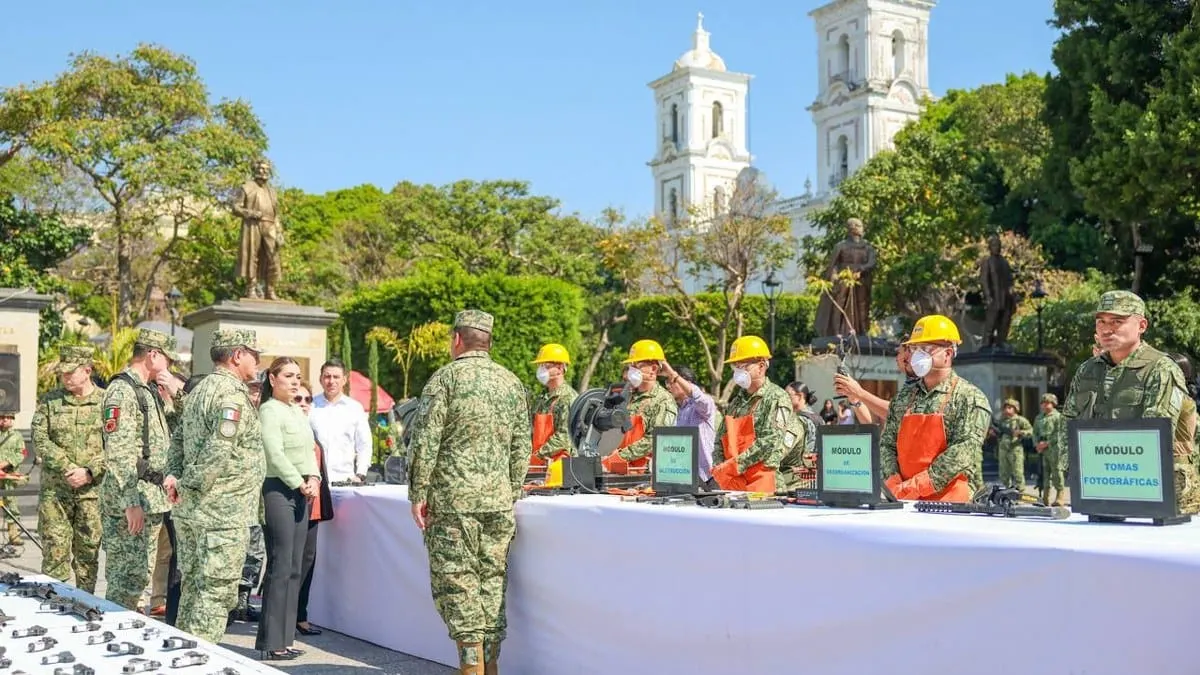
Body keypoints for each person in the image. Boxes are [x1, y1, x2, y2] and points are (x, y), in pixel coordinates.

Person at [408, 310, 531, 675]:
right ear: (488, 342)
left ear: (457, 340)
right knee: (492, 584)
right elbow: (522, 446)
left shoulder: (445, 379)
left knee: (458, 587)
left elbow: (424, 442)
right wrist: (506, 491)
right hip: (496, 503)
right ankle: (489, 667)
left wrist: (418, 492)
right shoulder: (511, 382)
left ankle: (470, 669)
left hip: (453, 503)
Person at [166, 329, 263, 645]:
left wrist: (175, 479)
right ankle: (198, 661)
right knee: (215, 594)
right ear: (238, 355)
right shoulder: (231, 395)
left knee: (194, 588)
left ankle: (181, 656)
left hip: (194, 511)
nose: (258, 361)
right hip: (221, 515)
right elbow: (218, 450)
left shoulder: (200, 390)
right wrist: (188, 485)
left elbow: (177, 440)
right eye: (254, 355)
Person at [1062, 291, 1193, 514]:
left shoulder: (1161, 369)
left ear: (1141, 325)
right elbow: (1069, 422)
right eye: (1101, 321)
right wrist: (1074, 471)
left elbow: (1157, 434)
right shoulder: (1088, 370)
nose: (1106, 328)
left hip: (1156, 491)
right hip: (1098, 488)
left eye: (1117, 321)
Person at [100, 328, 178, 611]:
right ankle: (113, 636)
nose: (170, 367)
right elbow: (119, 453)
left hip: (151, 498)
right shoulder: (122, 390)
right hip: (132, 499)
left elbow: (179, 425)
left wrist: (173, 391)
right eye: (168, 360)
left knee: (139, 576)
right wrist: (131, 502)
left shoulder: (150, 391)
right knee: (126, 581)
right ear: (153, 355)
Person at [879, 315, 991, 501]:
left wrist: (915, 487)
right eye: (914, 349)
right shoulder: (902, 398)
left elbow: (964, 451)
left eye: (926, 348)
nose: (917, 355)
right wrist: (893, 482)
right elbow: (887, 444)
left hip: (950, 506)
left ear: (947, 354)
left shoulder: (969, 397)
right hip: (903, 500)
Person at [255, 357, 319, 661]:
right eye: (288, 376)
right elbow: (273, 454)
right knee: (280, 566)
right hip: (278, 490)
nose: (295, 381)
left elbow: (309, 451)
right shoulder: (268, 411)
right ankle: (271, 641)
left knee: (295, 567)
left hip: (302, 489)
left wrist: (314, 478)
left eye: (298, 376)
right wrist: (299, 482)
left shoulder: (296, 411)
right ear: (272, 378)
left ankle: (286, 637)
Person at [32, 346, 104, 591]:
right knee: (54, 553)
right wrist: (68, 467)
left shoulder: (106, 403)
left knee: (88, 557)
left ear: (87, 370)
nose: (65, 377)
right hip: (56, 494)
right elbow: (40, 439)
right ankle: (52, 607)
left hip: (91, 494)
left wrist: (89, 472)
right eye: (62, 372)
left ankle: (86, 607)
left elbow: (118, 445)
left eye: (70, 372)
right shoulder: (50, 402)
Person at [711, 335, 799, 493]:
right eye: (735, 366)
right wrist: (719, 466)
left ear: (761, 366)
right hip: (733, 483)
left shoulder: (777, 397)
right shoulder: (736, 402)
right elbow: (720, 439)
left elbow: (770, 441)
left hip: (763, 484)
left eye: (743, 365)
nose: (738, 371)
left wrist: (734, 465)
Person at [600, 340, 678, 474]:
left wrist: (620, 456)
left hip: (645, 476)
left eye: (638, 365)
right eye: (631, 365)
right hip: (618, 469)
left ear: (653, 369)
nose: (632, 370)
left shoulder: (663, 400)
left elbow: (655, 439)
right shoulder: (627, 396)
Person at [294, 382, 332, 638]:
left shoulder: (311, 430)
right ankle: (286, 619)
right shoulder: (285, 430)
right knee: (290, 564)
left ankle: (300, 616)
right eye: (298, 399)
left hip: (313, 506)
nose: (304, 403)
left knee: (307, 562)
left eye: (308, 399)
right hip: (293, 505)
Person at [310, 358, 373, 483]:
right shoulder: (310, 406)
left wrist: (360, 474)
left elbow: (364, 444)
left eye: (336, 377)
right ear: (320, 379)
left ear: (344, 380)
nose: (331, 381)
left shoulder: (355, 408)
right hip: (315, 481)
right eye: (327, 376)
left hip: (346, 480)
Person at [232, 159, 283, 300]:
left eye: (266, 169)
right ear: (255, 170)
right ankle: (251, 288)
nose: (264, 171)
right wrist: (250, 213)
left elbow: (276, 213)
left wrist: (279, 230)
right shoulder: (246, 187)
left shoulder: (272, 192)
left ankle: (270, 290)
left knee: (273, 258)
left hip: (270, 225)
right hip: (253, 224)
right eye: (261, 168)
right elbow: (235, 207)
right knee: (251, 257)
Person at [662, 362, 718, 489]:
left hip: (708, 479)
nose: (668, 387)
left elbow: (698, 397)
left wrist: (673, 374)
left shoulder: (703, 405)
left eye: (671, 382)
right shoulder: (679, 411)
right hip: (686, 478)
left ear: (685, 382)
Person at [835, 342, 918, 422]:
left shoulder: (921, 386)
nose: (896, 358)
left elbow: (896, 413)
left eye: (899, 353)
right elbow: (870, 423)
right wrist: (854, 399)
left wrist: (858, 392)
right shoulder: (908, 385)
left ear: (909, 353)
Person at [529, 344, 578, 465]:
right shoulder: (542, 399)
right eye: (540, 366)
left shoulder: (568, 398)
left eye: (546, 366)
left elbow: (564, 437)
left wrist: (537, 456)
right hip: (540, 464)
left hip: (561, 466)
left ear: (560, 368)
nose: (541, 370)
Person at [1033, 393, 1067, 506]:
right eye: (1043, 403)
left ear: (1053, 404)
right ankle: (1045, 498)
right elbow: (1035, 433)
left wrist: (1047, 443)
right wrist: (1037, 444)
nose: (1044, 405)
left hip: (1054, 448)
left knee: (1057, 471)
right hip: (1043, 450)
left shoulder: (1058, 417)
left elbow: (1059, 433)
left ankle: (1060, 497)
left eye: (1047, 403)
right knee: (1044, 473)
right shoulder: (1039, 417)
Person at [996, 399, 1033, 492]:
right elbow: (999, 434)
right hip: (1003, 450)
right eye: (1005, 408)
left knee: (1018, 473)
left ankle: (1020, 493)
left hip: (1015, 450)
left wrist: (1020, 433)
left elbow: (1031, 431)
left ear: (1015, 409)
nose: (1006, 410)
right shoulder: (1002, 421)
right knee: (1004, 473)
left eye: (1009, 408)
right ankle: (1006, 493)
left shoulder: (1020, 420)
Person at [0, 412, 24, 551]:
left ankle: (13, 535)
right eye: (2, 418)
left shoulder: (17, 436)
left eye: (7, 418)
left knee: (11, 504)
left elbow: (22, 453)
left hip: (8, 475)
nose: (4, 421)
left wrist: (7, 462)